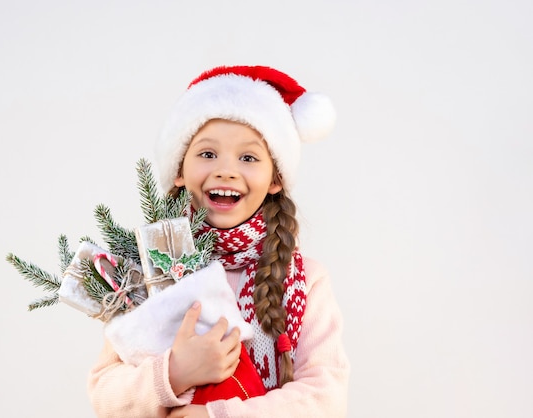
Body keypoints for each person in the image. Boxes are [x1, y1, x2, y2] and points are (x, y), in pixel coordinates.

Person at [87, 65, 350, 417]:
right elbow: (104, 393)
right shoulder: (148, 272)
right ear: (179, 170)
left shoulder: (305, 280)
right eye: (208, 154)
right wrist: (174, 373)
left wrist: (216, 416)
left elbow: (326, 397)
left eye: (249, 157)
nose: (226, 170)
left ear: (276, 178)